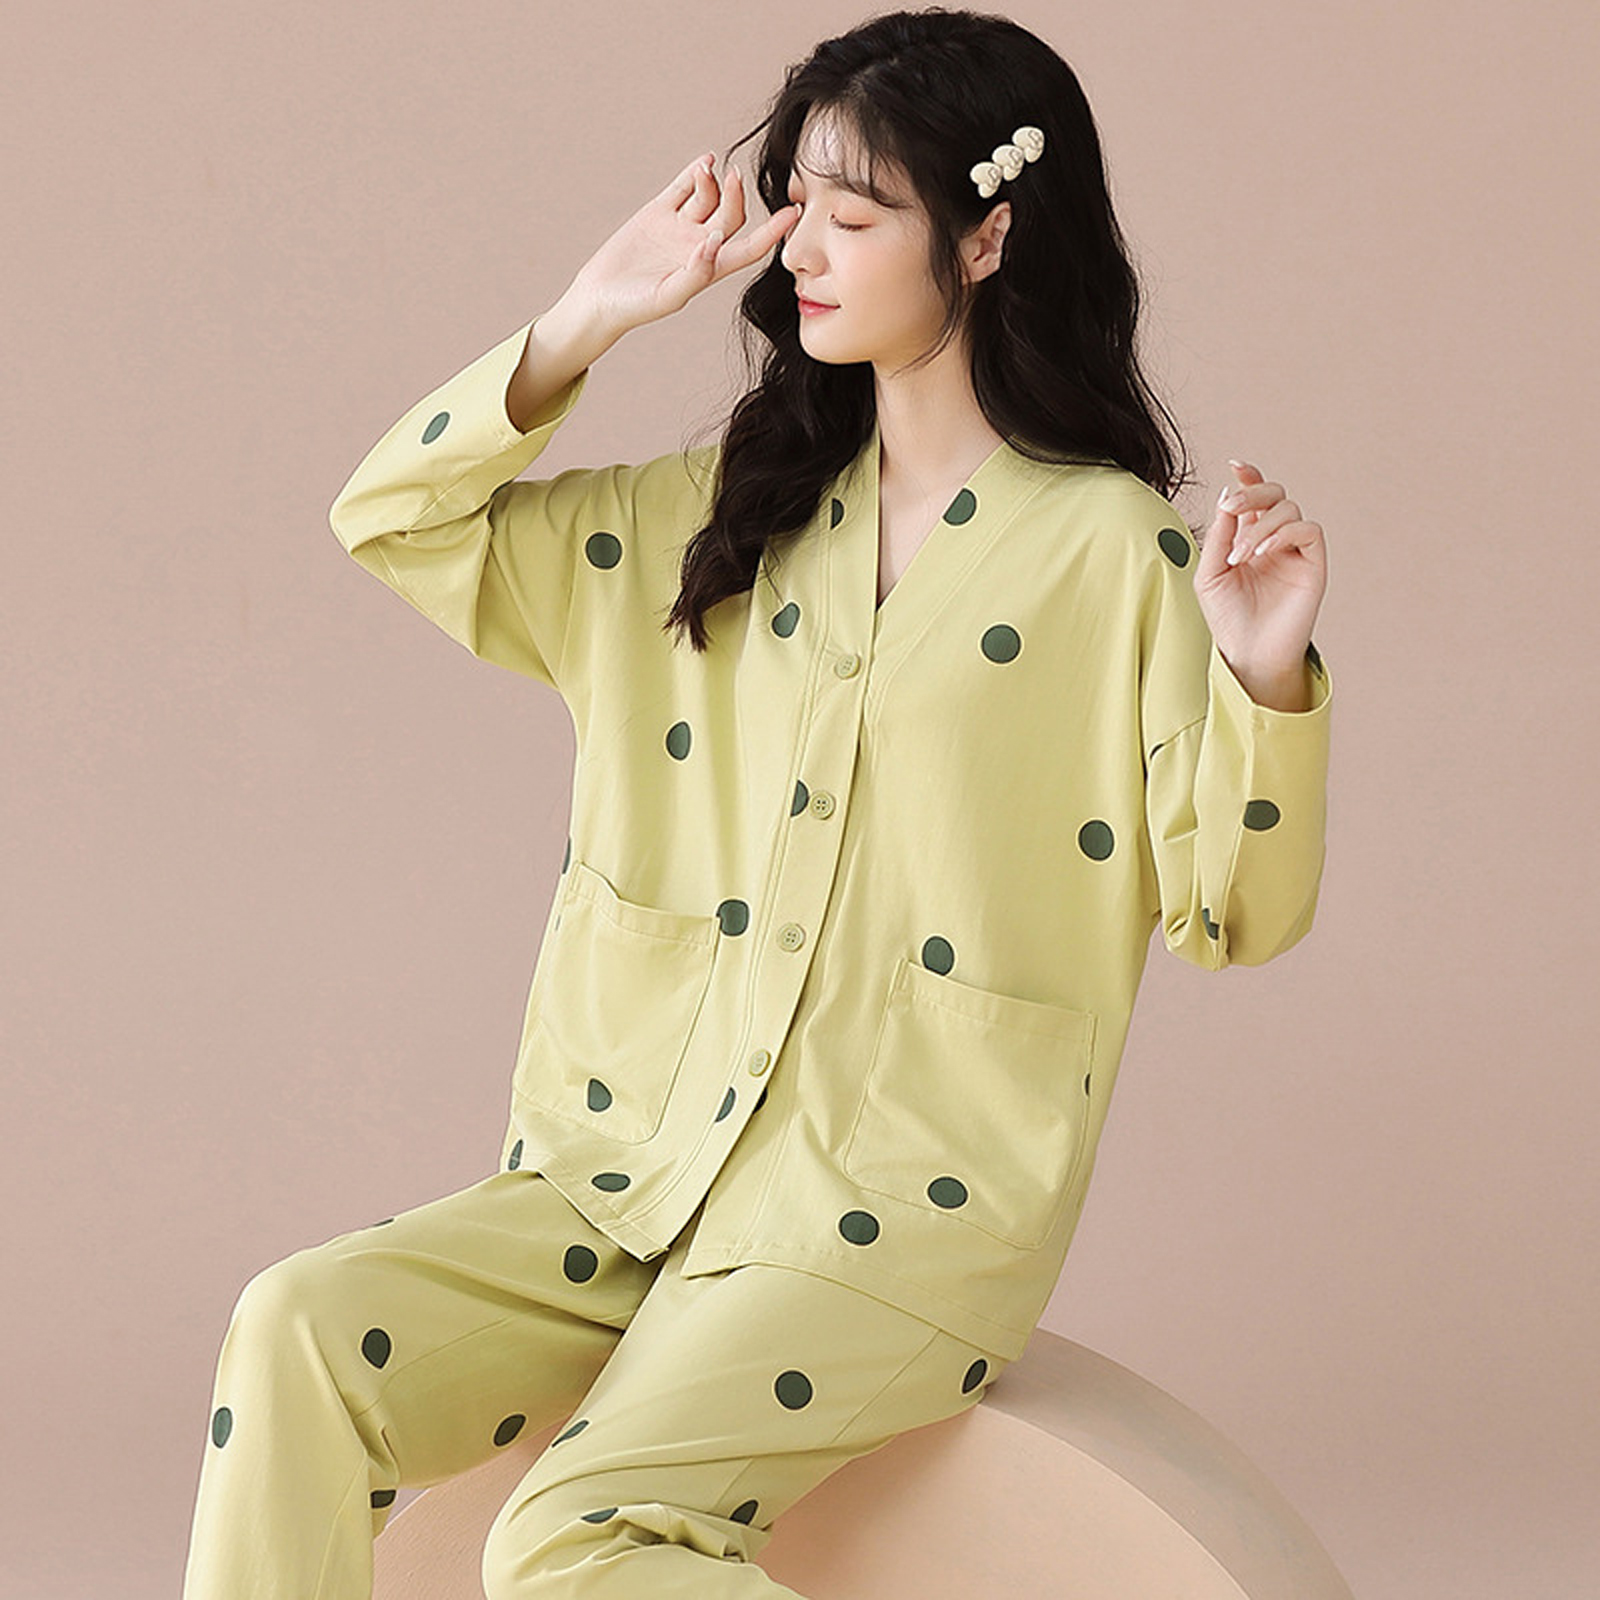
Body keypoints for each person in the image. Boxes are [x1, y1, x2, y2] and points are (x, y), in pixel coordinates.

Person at [181, 8, 1332, 1597]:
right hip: (624, 1166)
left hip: (891, 1213)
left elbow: (1236, 913)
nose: (801, 248)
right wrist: (589, 316)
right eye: (797, 204)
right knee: (295, 1328)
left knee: (574, 1540)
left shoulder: (1113, 558)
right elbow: (395, 523)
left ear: (988, 238)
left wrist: (1264, 677)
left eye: (855, 216)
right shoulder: (724, 515)